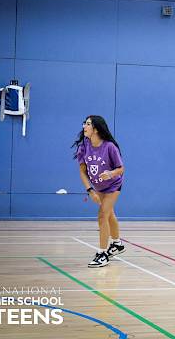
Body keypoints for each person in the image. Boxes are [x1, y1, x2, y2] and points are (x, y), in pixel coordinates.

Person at [72, 115, 125, 268]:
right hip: (98, 187)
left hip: (113, 185)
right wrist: (90, 190)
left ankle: (102, 254)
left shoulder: (109, 147)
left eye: (88, 124)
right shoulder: (84, 146)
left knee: (102, 216)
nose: (84, 126)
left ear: (95, 129)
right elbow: (82, 172)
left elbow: (121, 169)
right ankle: (117, 244)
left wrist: (110, 173)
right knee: (109, 215)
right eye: (85, 123)